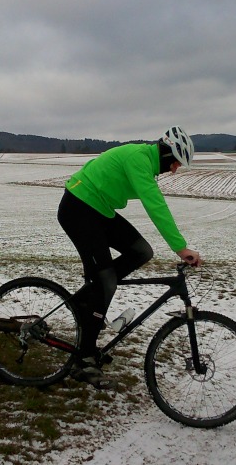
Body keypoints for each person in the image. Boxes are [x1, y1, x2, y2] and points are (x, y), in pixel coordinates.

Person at [57, 125, 201, 389]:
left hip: (97, 209)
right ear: (168, 154)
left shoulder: (143, 160)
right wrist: (181, 248)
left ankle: (87, 300)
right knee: (106, 281)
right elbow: (154, 203)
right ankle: (84, 360)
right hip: (79, 208)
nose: (174, 170)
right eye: (176, 164)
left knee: (141, 252)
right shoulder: (139, 160)